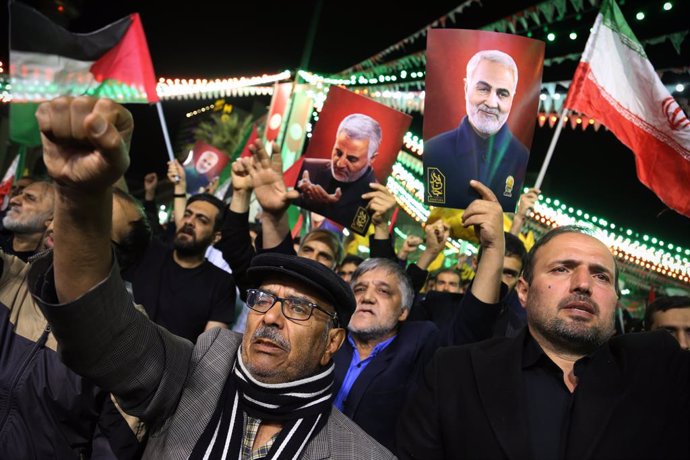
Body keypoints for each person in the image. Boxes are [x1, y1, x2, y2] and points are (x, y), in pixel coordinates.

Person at [28, 95, 394, 460]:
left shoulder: (361, 453)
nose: (270, 316)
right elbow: (101, 332)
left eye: (298, 307)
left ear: (332, 342)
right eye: (262, 299)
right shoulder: (198, 370)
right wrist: (80, 195)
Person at [397, 213, 690, 459]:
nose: (583, 285)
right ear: (523, 291)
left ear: (615, 300)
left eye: (601, 276)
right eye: (562, 269)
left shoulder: (657, 370)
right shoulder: (455, 372)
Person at [424, 49, 529, 211]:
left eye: (502, 94)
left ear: (512, 98)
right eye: (483, 89)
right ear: (466, 88)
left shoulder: (522, 157)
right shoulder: (434, 150)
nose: (492, 103)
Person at [294, 113, 382, 234]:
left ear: (371, 159)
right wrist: (301, 196)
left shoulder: (374, 198)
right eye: (338, 153)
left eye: (351, 159)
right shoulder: (309, 169)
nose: (340, 164)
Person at [0, 180, 55, 261]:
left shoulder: (49, 268)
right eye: (20, 194)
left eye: (30, 198)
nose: (13, 200)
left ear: (51, 218)